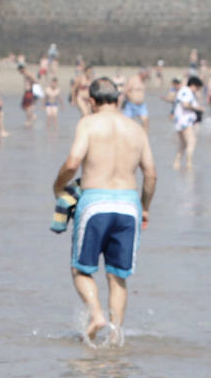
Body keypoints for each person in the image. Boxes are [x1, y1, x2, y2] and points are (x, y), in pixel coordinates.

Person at [54, 77, 156, 347]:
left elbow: (73, 162)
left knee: (80, 270)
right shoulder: (136, 129)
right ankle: (114, 335)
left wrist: (58, 186)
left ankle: (97, 314)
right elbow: (151, 174)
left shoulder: (88, 124)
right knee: (117, 275)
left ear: (91, 101)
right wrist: (145, 207)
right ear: (119, 99)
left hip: (94, 204)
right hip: (129, 206)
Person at [172, 75, 203, 170]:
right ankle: (189, 164)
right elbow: (185, 104)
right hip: (185, 121)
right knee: (191, 142)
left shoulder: (183, 90)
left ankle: (176, 163)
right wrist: (198, 108)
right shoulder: (187, 91)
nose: (197, 90)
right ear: (193, 85)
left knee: (183, 144)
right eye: (197, 87)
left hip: (179, 121)